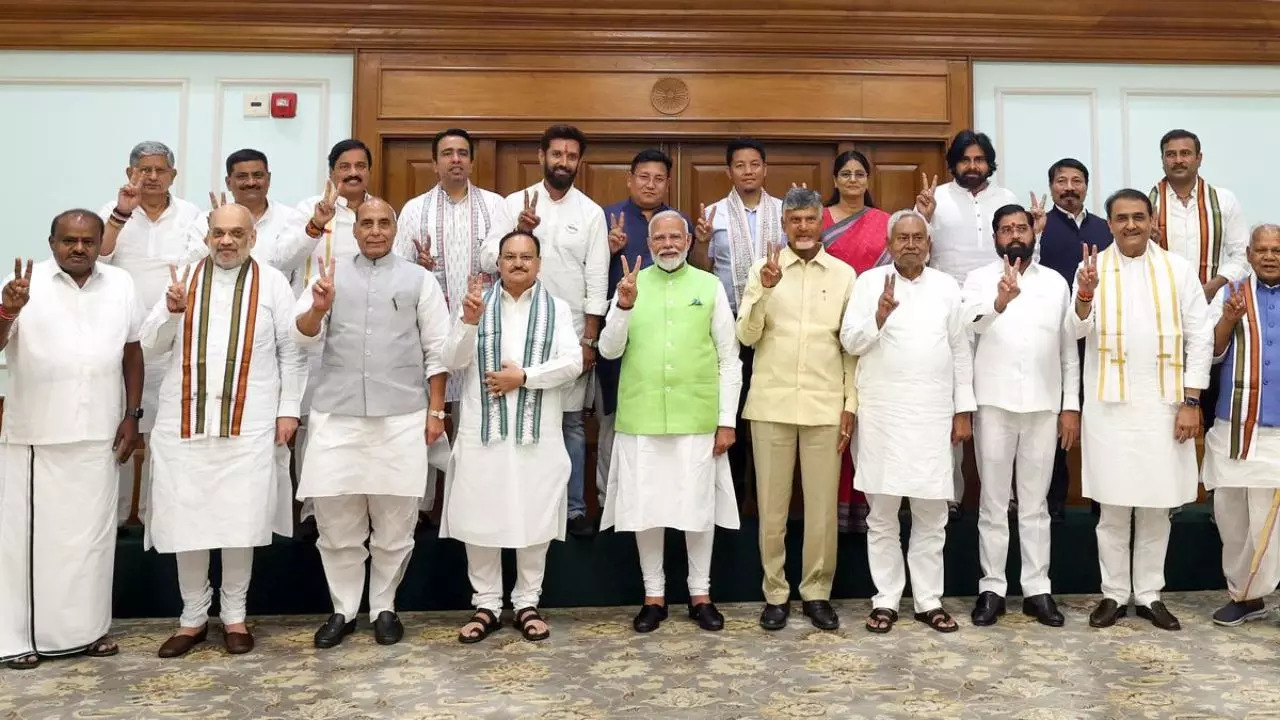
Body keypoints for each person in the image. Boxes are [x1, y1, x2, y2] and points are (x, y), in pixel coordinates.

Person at [141, 204, 307, 658]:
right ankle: (192, 618)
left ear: (252, 237)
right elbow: (151, 348)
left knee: (239, 520)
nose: (227, 241)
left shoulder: (272, 282)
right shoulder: (183, 279)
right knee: (185, 521)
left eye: (236, 233)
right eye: (219, 233)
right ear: (207, 237)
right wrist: (172, 314)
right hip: (184, 426)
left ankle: (235, 615)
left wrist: (288, 410)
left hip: (249, 424)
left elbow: (293, 353)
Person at [293, 198, 450, 648]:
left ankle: (384, 606)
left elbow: (437, 350)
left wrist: (436, 411)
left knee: (395, 523)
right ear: (354, 230)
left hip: (401, 416)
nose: (376, 230)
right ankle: (343, 609)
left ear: (395, 229)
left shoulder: (419, 279)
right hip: (337, 415)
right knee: (336, 522)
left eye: (384, 223)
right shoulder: (329, 274)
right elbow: (300, 334)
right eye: (367, 223)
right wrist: (318, 308)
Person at [0, 210, 143, 668]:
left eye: (87, 240)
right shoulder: (23, 284)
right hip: (38, 434)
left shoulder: (119, 284)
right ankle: (15, 638)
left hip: (100, 432)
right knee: (28, 544)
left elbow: (132, 350)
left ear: (101, 243)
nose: (78, 248)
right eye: (68, 240)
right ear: (51, 242)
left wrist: (132, 414)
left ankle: (85, 632)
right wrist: (8, 311)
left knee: (91, 541)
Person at [1072, 189, 1212, 632]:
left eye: (1138, 217)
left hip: (1164, 405)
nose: (1130, 225)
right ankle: (1113, 593)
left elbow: (1201, 336)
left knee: (1156, 505)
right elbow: (1073, 328)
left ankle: (1149, 593)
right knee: (1112, 507)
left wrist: (1191, 402)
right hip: (1108, 406)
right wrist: (1085, 296)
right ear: (1109, 224)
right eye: (1121, 218)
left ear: (1153, 221)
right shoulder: (1090, 268)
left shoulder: (1178, 269)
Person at [599, 211, 742, 633]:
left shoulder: (709, 285)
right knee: (647, 509)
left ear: (686, 241)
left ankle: (701, 594)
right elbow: (608, 350)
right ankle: (654, 596)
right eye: (659, 237)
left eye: (674, 237)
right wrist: (623, 306)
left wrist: (726, 420)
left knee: (697, 509)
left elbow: (729, 360)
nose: (667, 244)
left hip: (696, 417)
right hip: (641, 417)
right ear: (649, 243)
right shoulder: (630, 286)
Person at [440, 230, 582, 644]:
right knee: (480, 515)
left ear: (539, 263)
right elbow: (451, 360)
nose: (518, 263)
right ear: (498, 263)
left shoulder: (556, 308)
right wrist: (467, 323)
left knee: (533, 515)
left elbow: (572, 363)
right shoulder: (476, 305)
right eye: (510, 257)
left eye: (526, 257)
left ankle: (527, 603)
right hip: (482, 434)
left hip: (536, 436)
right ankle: (485, 603)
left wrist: (524, 378)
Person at [841, 208, 974, 634]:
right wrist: (878, 316)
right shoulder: (868, 284)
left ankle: (928, 599)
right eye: (903, 237)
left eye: (919, 237)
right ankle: (885, 600)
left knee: (931, 514)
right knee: (881, 514)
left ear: (929, 245)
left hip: (933, 415)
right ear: (889, 243)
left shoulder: (947, 287)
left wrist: (962, 410)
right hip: (882, 414)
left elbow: (960, 351)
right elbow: (850, 341)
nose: (911, 244)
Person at [736, 187, 856, 631]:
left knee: (822, 508)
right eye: (794, 221)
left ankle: (817, 592)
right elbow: (746, 337)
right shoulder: (763, 270)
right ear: (783, 225)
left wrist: (851, 404)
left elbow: (851, 347)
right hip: (771, 404)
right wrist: (765, 291)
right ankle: (775, 593)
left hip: (826, 405)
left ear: (820, 221)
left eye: (809, 219)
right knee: (772, 507)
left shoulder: (845, 275)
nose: (802, 228)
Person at [481, 125, 608, 537]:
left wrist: (590, 338)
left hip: (567, 335)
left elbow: (597, 278)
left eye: (572, 156)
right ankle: (517, 504)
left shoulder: (590, 212)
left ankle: (572, 509)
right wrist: (518, 229)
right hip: (512, 328)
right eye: (557, 154)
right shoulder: (513, 203)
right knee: (514, 418)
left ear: (579, 162)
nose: (563, 162)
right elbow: (487, 258)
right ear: (541, 156)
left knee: (570, 423)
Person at [962, 204, 1078, 627]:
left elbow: (1069, 350)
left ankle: (1037, 589)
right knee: (993, 504)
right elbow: (972, 326)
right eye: (1006, 229)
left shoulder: (1055, 283)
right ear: (995, 238)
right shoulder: (977, 279)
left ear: (1034, 233)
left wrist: (1071, 406)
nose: (1015, 234)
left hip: (1044, 406)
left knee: (1035, 505)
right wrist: (1000, 301)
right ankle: (992, 588)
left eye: (1021, 228)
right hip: (993, 404)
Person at [394, 128, 509, 514]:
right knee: (429, 418)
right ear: (435, 162)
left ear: (472, 161)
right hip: (428, 331)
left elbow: (504, 260)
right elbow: (398, 269)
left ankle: (471, 505)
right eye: (447, 153)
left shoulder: (495, 207)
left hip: (483, 330)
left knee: (475, 419)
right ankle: (424, 506)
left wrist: (487, 256)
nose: (455, 159)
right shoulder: (414, 209)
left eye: (462, 153)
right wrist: (419, 266)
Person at [98, 141, 202, 527]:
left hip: (173, 341)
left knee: (164, 433)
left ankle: (154, 516)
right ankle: (116, 513)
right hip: (120, 342)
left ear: (173, 175)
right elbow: (99, 258)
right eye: (144, 170)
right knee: (120, 430)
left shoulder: (193, 215)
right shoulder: (111, 214)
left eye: (160, 170)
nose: (152, 177)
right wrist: (121, 215)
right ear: (130, 174)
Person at [914, 130, 1019, 514]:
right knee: (951, 400)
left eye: (979, 160)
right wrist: (922, 216)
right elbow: (916, 252)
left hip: (998, 311)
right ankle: (949, 493)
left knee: (996, 400)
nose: (972, 167)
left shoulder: (1007, 199)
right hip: (947, 310)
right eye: (965, 160)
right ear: (953, 164)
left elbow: (1022, 253)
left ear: (990, 163)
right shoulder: (935, 198)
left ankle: (1002, 494)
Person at [691, 137, 786, 501]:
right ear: (729, 171)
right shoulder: (713, 214)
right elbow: (702, 270)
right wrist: (700, 242)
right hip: (729, 324)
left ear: (765, 168)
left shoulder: (783, 210)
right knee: (732, 405)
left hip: (775, 324)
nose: (748, 171)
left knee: (766, 410)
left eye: (755, 164)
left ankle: (767, 499)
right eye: (740, 165)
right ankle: (731, 498)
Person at [595, 149, 690, 506]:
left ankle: (658, 501)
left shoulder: (677, 222)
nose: (651, 184)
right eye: (643, 177)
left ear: (668, 182)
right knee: (614, 419)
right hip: (619, 334)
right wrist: (608, 248)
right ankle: (609, 499)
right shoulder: (606, 218)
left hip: (669, 340)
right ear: (630, 178)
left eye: (659, 178)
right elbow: (588, 274)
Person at [1201, 224, 1280, 627]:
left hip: (1278, 432)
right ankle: (1244, 596)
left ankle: (1257, 592)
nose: (1269, 257)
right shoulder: (1229, 296)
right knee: (1232, 515)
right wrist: (1229, 320)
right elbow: (1211, 352)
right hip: (1233, 426)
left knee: (1272, 520)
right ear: (1248, 254)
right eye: (1262, 250)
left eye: (1276, 250)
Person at [1149, 129, 1249, 435]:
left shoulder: (1223, 199)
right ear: (1163, 159)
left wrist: (1212, 286)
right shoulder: (1146, 200)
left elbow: (1240, 255)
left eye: (1185, 153)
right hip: (1161, 313)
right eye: (1171, 154)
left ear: (1198, 158)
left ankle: (1208, 480)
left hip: (1213, 309)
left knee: (1210, 397)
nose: (1178, 160)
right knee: (1163, 403)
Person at [821, 149, 892, 533]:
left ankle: (870, 513)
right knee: (837, 420)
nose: (852, 180)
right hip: (828, 330)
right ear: (834, 180)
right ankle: (834, 512)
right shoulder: (819, 221)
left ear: (868, 179)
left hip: (876, 329)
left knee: (869, 417)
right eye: (845, 174)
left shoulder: (884, 222)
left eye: (859, 173)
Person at [1039, 158, 1113, 522]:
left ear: (1087, 186)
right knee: (1057, 423)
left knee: (1098, 422)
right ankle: (1054, 502)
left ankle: (1104, 499)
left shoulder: (1106, 228)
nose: (1069, 187)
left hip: (1099, 340)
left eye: (1077, 181)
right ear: (1051, 186)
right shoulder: (1039, 227)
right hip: (1051, 341)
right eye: (1061, 181)